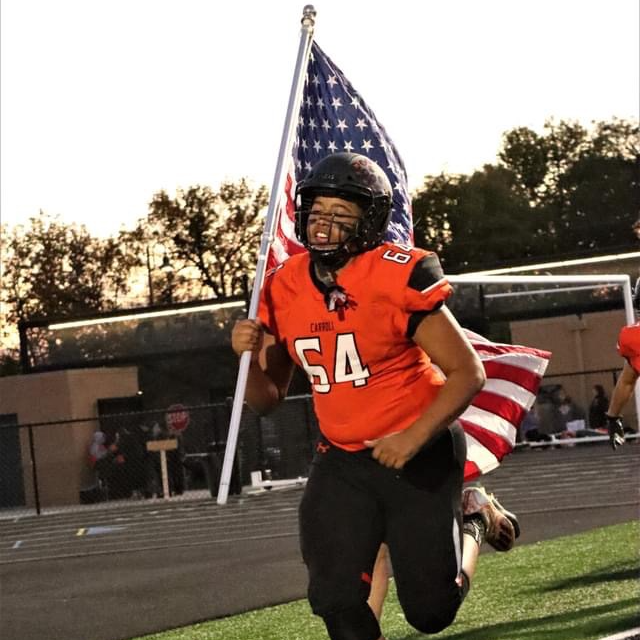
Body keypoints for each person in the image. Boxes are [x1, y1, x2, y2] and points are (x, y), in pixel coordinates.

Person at [231, 152, 518, 640]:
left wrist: (410, 438)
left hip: (419, 451)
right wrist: (242, 356)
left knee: (431, 613)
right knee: (334, 598)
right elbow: (267, 399)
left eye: (341, 216)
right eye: (317, 211)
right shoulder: (283, 286)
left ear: (369, 222)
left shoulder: (393, 275)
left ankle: (474, 517)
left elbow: (467, 372)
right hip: (342, 460)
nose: (324, 226)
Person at [605, 277, 640, 449]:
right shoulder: (634, 337)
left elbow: (627, 381)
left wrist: (613, 417)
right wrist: (613, 417)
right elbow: (627, 381)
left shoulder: (632, 336)